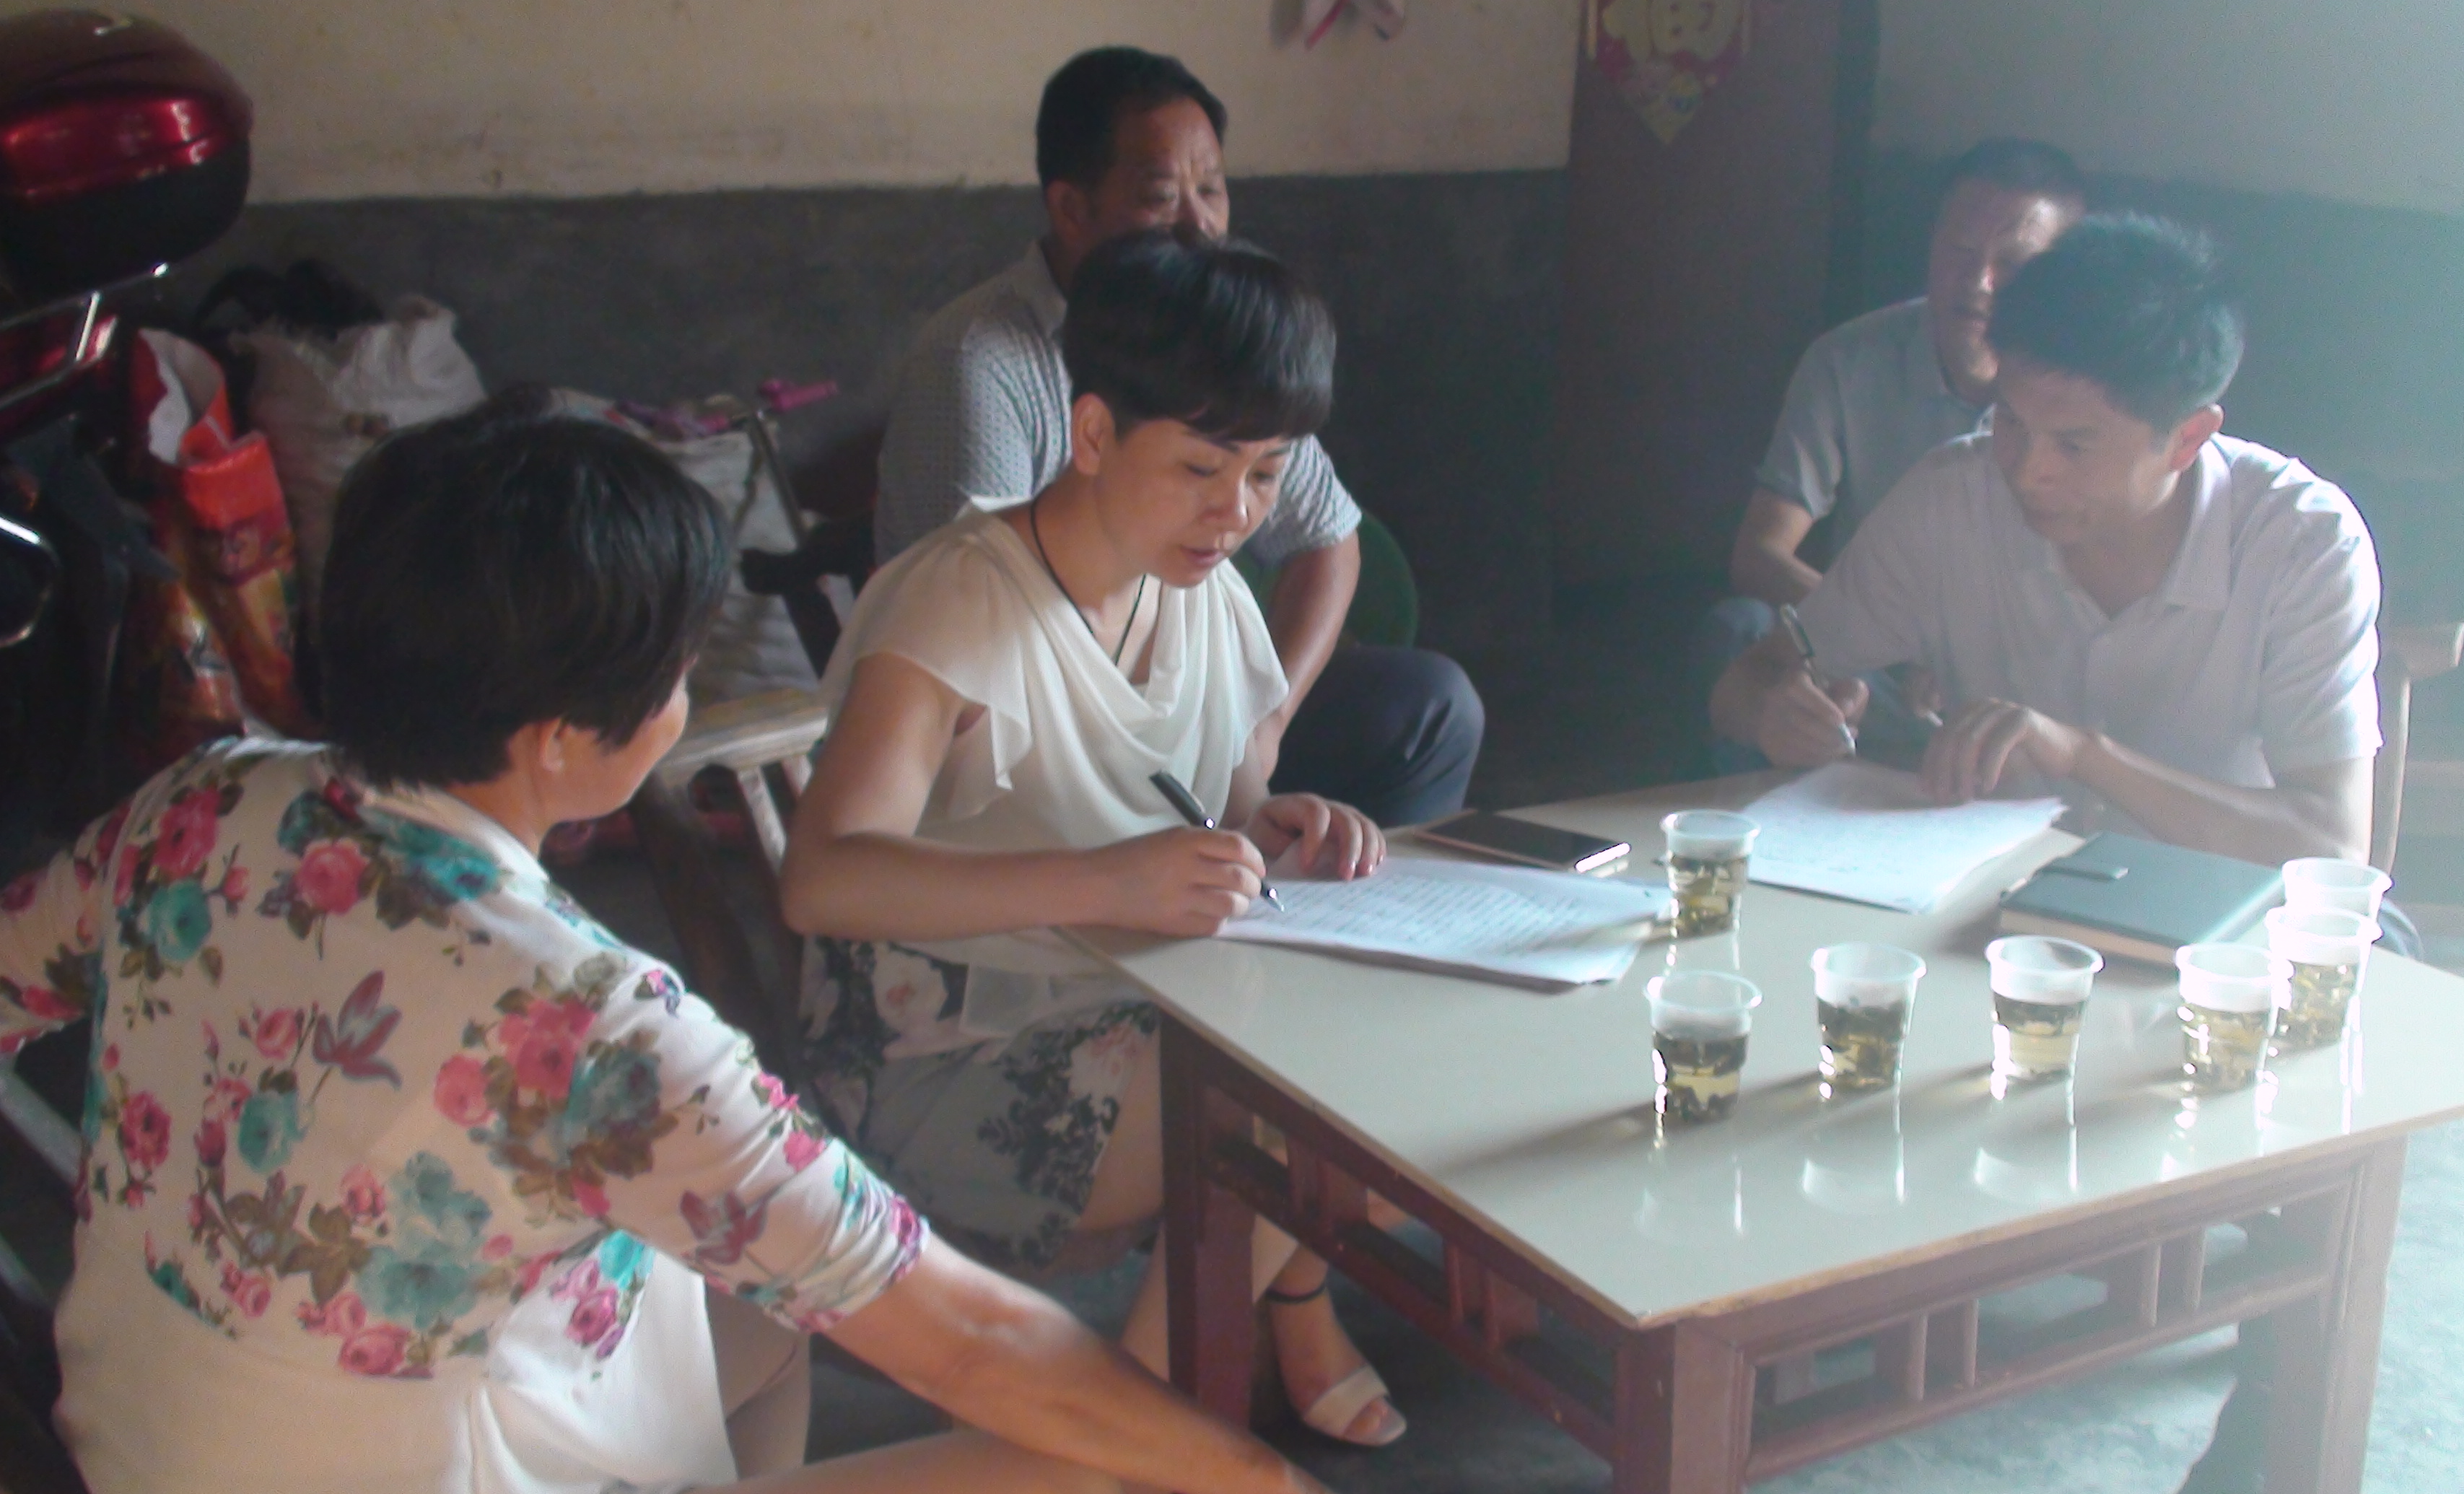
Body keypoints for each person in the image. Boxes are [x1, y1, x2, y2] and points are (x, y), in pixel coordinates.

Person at [0, 393, 1336, 1494]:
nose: (686, 697)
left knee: (748, 1321)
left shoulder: (207, 800)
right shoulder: (587, 1022)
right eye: (676, 672)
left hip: (139, 1435)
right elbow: (970, 1337)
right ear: (561, 740)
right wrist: (1259, 1476)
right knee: (1101, 1463)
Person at [787, 232, 1404, 1448]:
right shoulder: (960, 599)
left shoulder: (1207, 595)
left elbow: (1218, 807)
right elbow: (824, 877)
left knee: (1370, 1080)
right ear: (1093, 432)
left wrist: (1275, 830)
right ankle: (1118, 1438)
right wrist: (1109, 882)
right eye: (1202, 467)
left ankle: (1099, 1438)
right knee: (1297, 1119)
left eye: (1268, 474)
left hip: (1127, 1005)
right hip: (941, 1053)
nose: (1236, 512)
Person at [872, 44, 1481, 829]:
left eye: (1213, 189)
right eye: (1162, 197)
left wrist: (1260, 740)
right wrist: (1133, 851)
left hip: (1174, 723)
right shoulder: (980, 372)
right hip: (1036, 738)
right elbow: (990, 635)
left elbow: (1329, 537)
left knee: (1429, 706)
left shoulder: (1205, 583)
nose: (1199, 227)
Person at [1708, 213, 2382, 866]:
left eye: (2074, 445)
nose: (2028, 472)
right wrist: (1774, 714)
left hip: (2215, 919)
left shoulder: (2301, 544)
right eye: (2010, 422)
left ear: (2187, 439)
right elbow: (1746, 684)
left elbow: (2331, 844)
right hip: (1990, 903)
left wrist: (2083, 755)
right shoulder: (1953, 499)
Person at [1728, 138, 2086, 606]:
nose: (1978, 282)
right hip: (1862, 627)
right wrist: (1873, 630)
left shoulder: (2093, 393)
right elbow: (1759, 555)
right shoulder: (1847, 361)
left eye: (2011, 263)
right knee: (1738, 624)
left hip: (2012, 644)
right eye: (1960, 250)